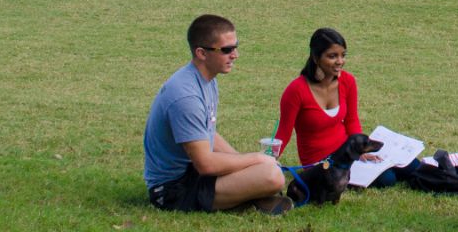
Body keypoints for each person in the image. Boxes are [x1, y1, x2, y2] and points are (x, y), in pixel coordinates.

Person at [143, 14, 291, 215]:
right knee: (272, 176)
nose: (235, 55)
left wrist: (245, 164)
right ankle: (247, 200)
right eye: (227, 50)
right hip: (172, 190)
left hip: (193, 174)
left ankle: (247, 199)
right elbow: (205, 164)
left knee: (266, 171)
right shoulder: (186, 96)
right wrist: (256, 159)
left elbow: (208, 134)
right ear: (202, 53)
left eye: (236, 47)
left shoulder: (207, 79)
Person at [274, 28, 415, 188]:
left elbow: (351, 120)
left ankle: (438, 175)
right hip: (322, 163)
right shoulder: (296, 90)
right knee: (387, 179)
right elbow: (283, 134)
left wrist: (360, 150)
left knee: (410, 164)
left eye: (343, 55)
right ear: (315, 57)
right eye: (332, 56)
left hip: (348, 151)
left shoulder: (347, 81)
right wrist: (267, 161)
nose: (340, 61)